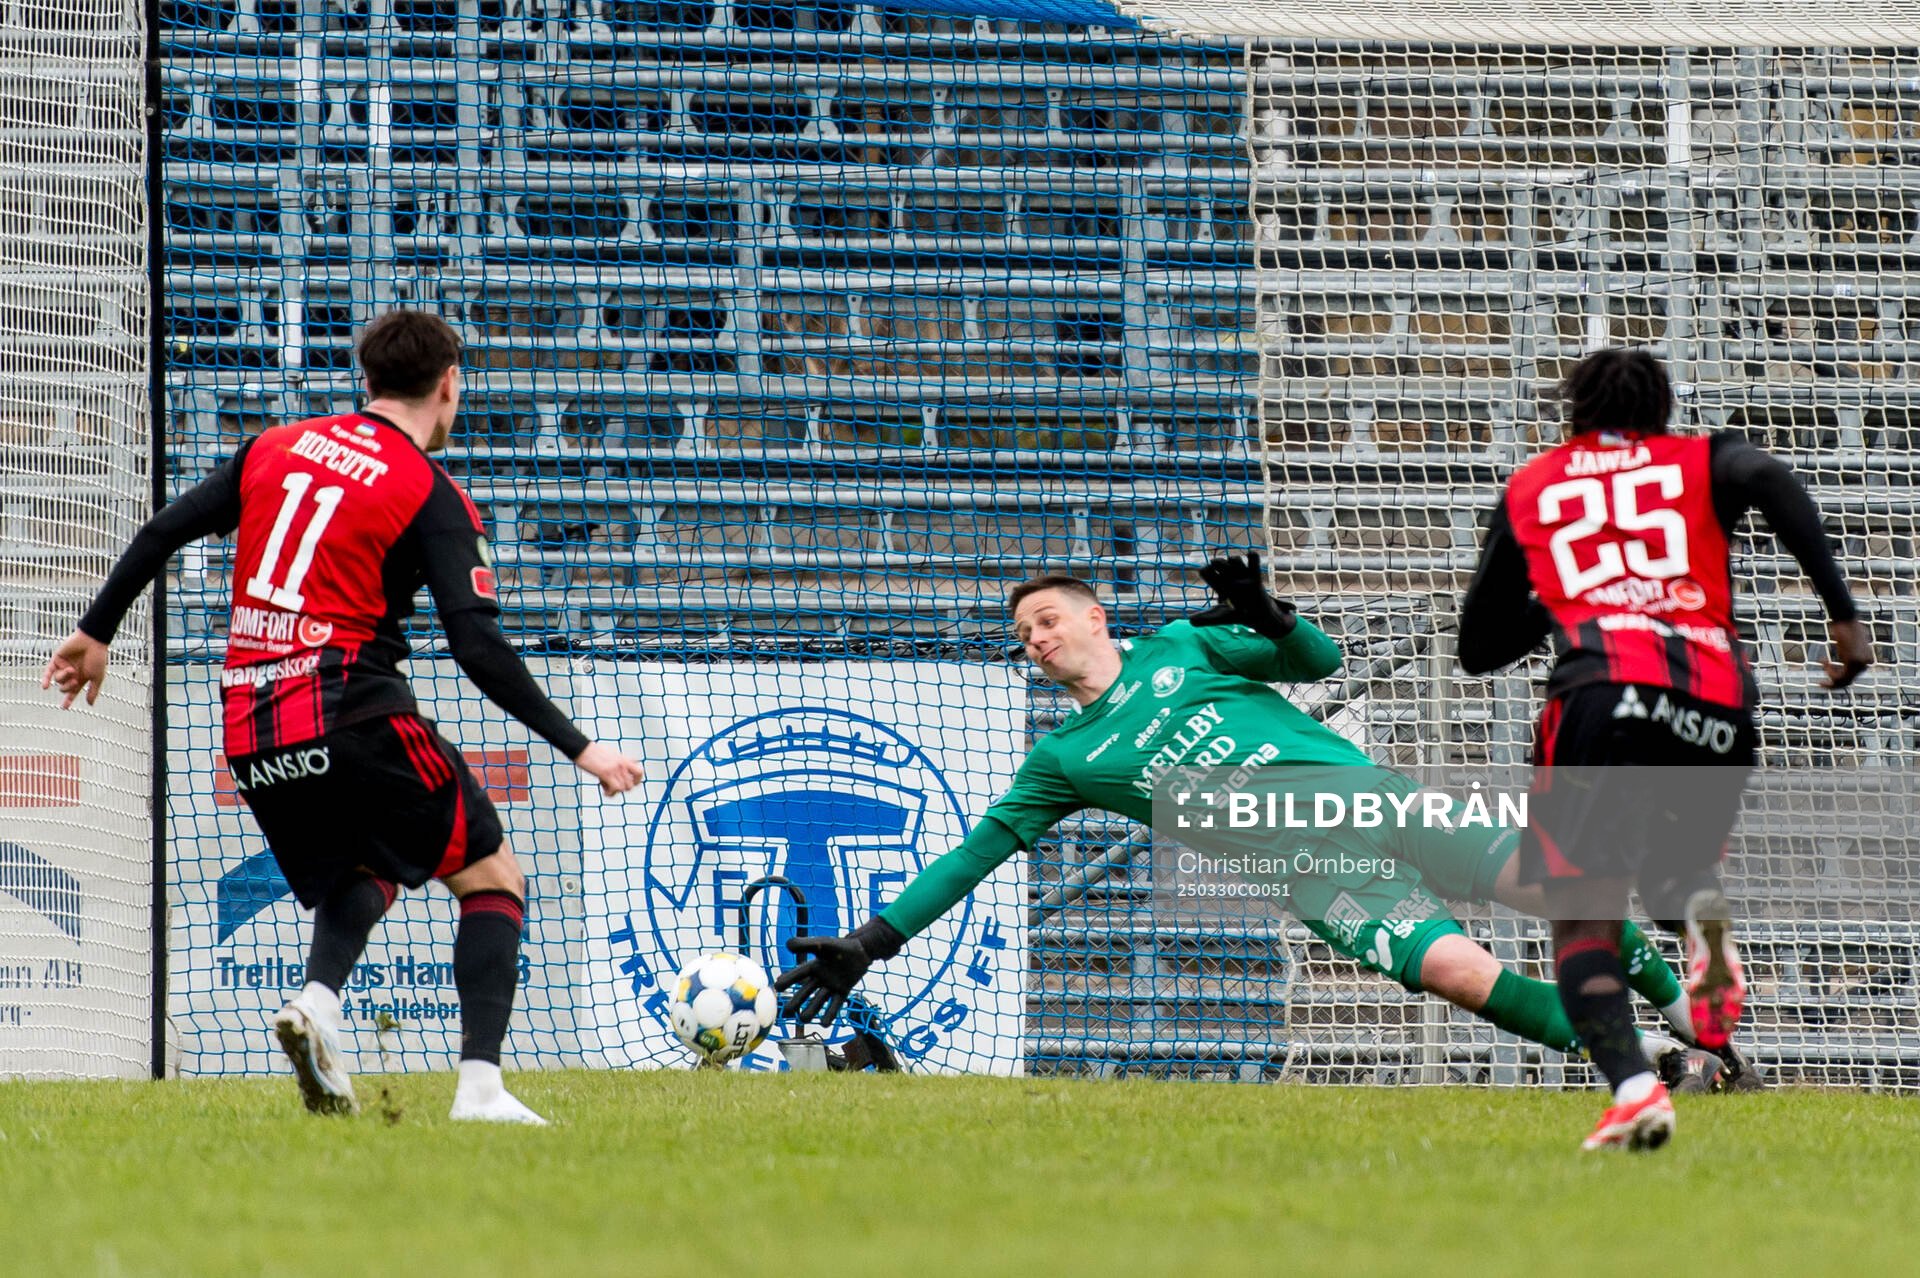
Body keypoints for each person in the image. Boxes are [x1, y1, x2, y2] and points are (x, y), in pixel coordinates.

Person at [775, 562, 1717, 1082]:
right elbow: (975, 855)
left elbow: (1316, 661)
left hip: (1380, 805)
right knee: (1461, 975)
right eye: (1025, 635)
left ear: (1098, 618)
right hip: (1319, 876)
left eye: (1050, 619)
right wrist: (873, 941)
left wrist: (1271, 614)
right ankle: (1662, 1064)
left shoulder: (1185, 646)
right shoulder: (1063, 759)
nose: (1038, 639)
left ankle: (1697, 1022)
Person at [44, 310, 644, 1124]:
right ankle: (480, 1090)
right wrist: (582, 747)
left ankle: (318, 1006)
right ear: (448, 384)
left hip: (251, 726)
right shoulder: (430, 491)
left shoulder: (273, 446)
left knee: (368, 867)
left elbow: (162, 530)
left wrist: (95, 631)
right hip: (352, 711)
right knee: (494, 875)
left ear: (366, 380)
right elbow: (476, 645)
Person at [1457, 346, 1872, 1149]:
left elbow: (1478, 648)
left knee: (1584, 918)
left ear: (1574, 411)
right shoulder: (1703, 459)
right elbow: (1771, 478)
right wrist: (1843, 613)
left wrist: (1568, 596)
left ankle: (1635, 1089)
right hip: (1716, 701)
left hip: (1602, 698)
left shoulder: (1534, 486)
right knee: (1678, 874)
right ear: (1663, 410)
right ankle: (1707, 937)